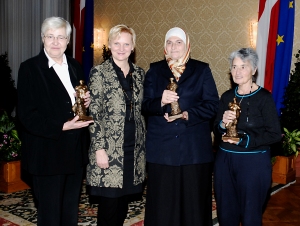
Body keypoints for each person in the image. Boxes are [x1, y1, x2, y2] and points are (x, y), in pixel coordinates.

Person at [17, 17, 93, 226]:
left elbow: (76, 102)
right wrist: (61, 126)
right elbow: (26, 115)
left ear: (68, 41)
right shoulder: (30, 68)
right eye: (50, 36)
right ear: (43, 39)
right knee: (50, 215)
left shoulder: (76, 66)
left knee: (70, 211)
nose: (56, 42)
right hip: (47, 153)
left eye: (61, 37)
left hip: (74, 152)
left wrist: (86, 100)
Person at [142, 27, 219, 226]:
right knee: (163, 204)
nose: (173, 46)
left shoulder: (201, 69)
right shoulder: (154, 70)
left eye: (178, 42)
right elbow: (145, 105)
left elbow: (212, 105)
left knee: (193, 204)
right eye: (169, 42)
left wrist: (188, 114)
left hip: (194, 149)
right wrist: (160, 101)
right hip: (162, 149)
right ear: (164, 47)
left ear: (187, 46)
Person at [213, 48, 282, 226]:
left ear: (254, 69)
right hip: (224, 162)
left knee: (251, 214)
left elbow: (274, 134)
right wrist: (222, 123)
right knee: (226, 212)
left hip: (253, 163)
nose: (237, 71)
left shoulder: (264, 98)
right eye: (234, 67)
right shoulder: (227, 96)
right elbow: (216, 128)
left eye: (243, 66)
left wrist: (246, 140)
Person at [86, 24, 146, 226]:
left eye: (126, 44)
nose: (121, 48)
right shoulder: (99, 73)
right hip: (109, 149)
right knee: (109, 206)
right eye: (117, 43)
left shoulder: (140, 74)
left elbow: (142, 110)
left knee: (123, 205)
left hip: (133, 150)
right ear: (109, 45)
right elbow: (94, 113)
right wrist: (99, 148)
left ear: (133, 46)